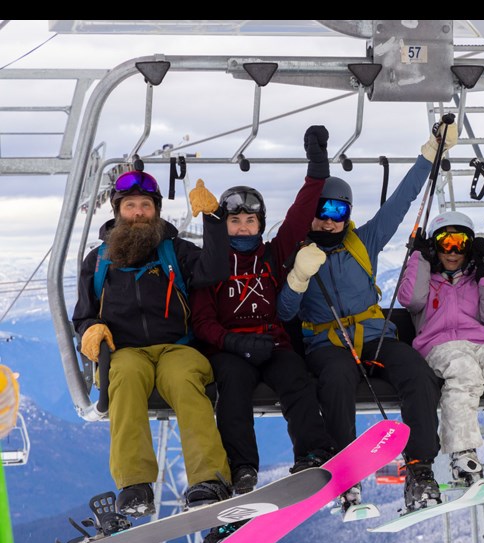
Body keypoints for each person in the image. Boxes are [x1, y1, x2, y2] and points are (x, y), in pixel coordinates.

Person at [276, 120, 458, 513]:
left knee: (416, 373)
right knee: (337, 379)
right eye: (322, 212)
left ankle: (420, 466)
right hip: (326, 342)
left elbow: (403, 200)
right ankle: (345, 473)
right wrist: (297, 277)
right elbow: (285, 312)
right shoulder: (297, 251)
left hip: (375, 334)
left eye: (337, 211)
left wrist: (431, 154)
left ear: (347, 214)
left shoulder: (365, 241)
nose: (329, 220)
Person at [189, 125, 342, 503]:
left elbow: (300, 212)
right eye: (235, 221)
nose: (243, 227)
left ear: (260, 224)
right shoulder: (212, 264)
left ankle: (312, 453)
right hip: (230, 349)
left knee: (296, 380)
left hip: (273, 341)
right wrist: (235, 342)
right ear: (224, 225)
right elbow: (203, 322)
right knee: (234, 389)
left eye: (250, 221)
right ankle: (242, 466)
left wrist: (318, 168)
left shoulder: (272, 254)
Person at [72, 170, 233, 517]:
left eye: (146, 205)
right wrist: (91, 331)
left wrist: (214, 220)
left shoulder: (175, 251)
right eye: (130, 205)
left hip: (177, 346)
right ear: (118, 211)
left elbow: (216, 268)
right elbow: (83, 314)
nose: (139, 212)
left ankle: (209, 479)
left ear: (156, 211)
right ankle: (135, 485)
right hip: (125, 351)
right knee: (124, 377)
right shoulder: (98, 261)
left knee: (184, 381)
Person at [397, 211, 484, 487]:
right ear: (435, 246)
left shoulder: (477, 277)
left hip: (481, 343)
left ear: (469, 246)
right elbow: (409, 299)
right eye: (445, 242)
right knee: (464, 373)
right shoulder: (427, 278)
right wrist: (419, 257)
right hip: (438, 345)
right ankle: (463, 452)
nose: (452, 250)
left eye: (459, 242)